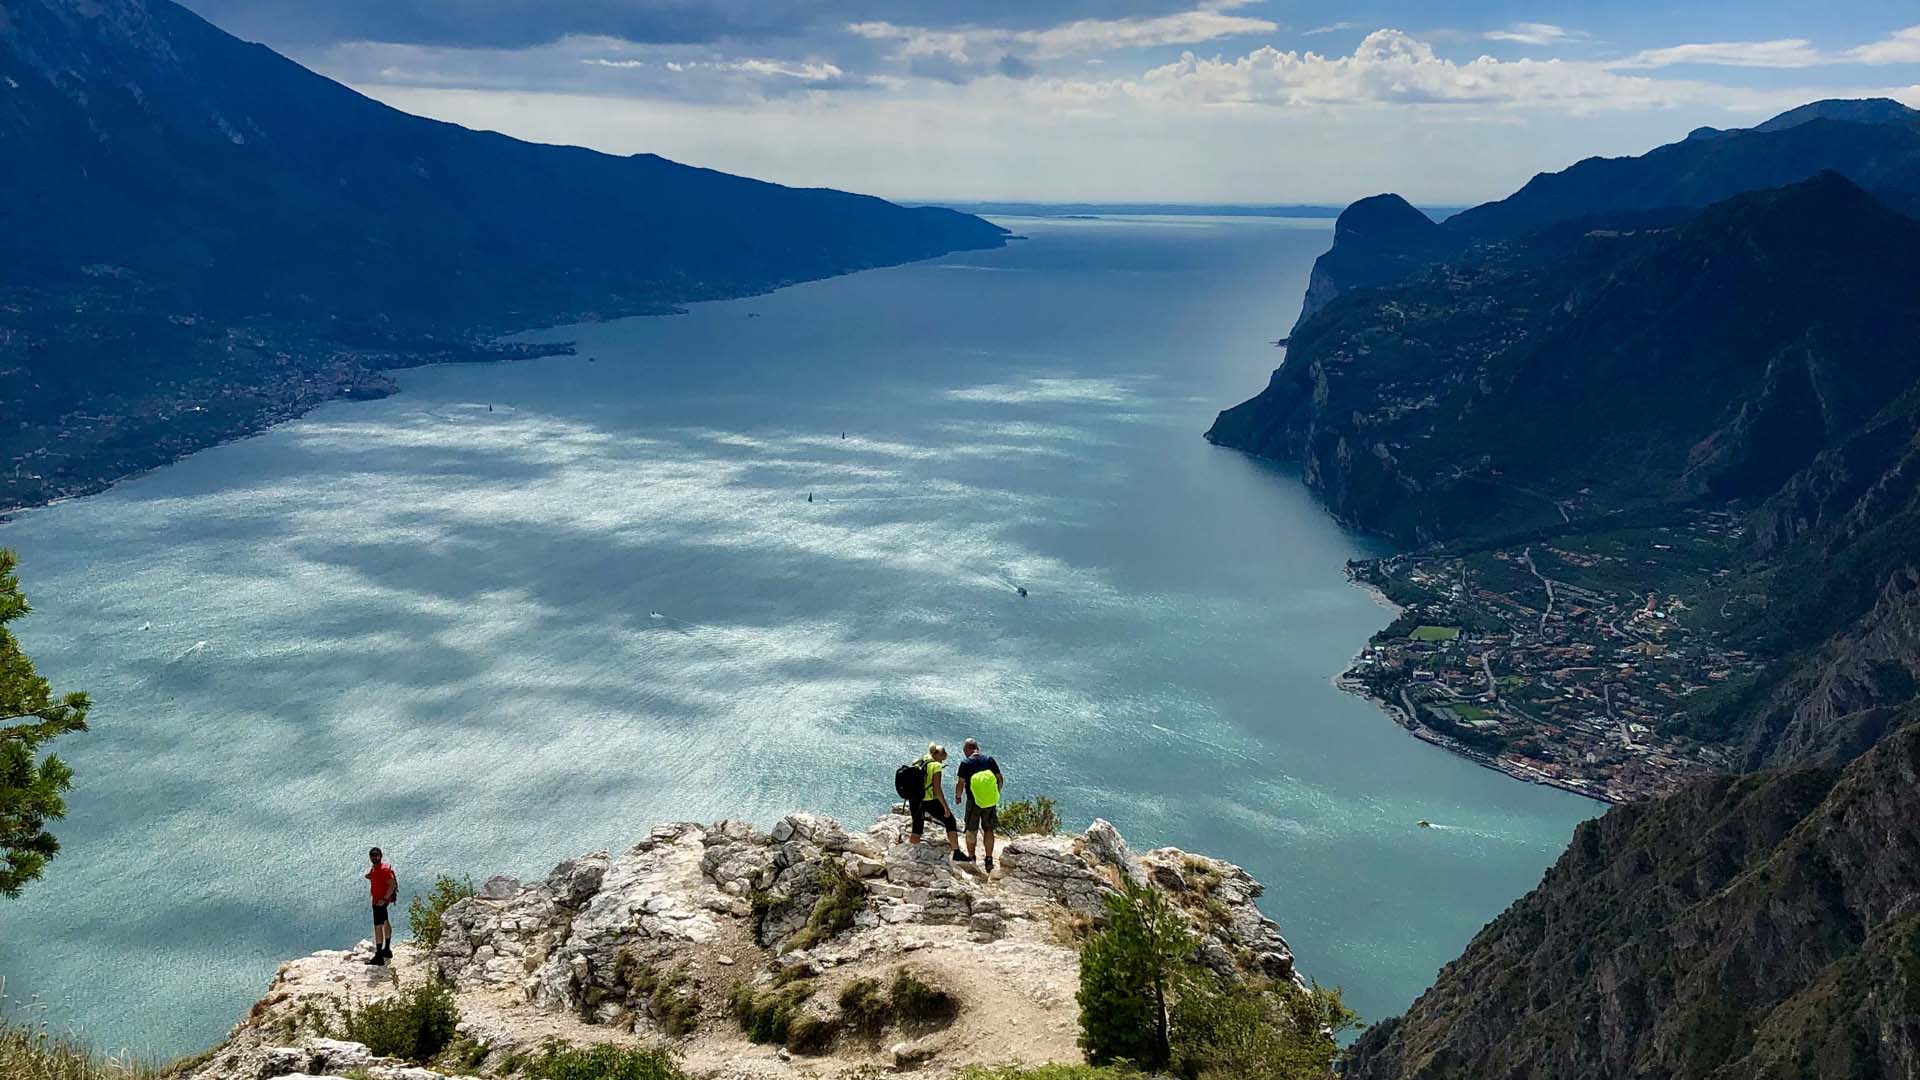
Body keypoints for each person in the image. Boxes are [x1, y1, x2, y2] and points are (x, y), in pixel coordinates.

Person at [910, 743, 970, 862]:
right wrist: (946, 808)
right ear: (937, 755)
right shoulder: (936, 766)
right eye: (943, 756)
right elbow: (937, 789)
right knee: (950, 821)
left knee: (917, 826)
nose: (944, 759)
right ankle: (957, 853)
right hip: (929, 800)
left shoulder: (918, 761)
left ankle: (913, 853)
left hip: (915, 799)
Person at [956, 738, 1005, 874]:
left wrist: (958, 796)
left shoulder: (966, 763)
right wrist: (996, 793)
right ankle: (989, 859)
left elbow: (960, 783)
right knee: (988, 829)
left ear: (967, 749)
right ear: (977, 748)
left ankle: (972, 858)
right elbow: (1000, 778)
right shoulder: (989, 760)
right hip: (990, 801)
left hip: (973, 801)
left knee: (971, 830)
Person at [365, 847, 398, 965]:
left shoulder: (383, 870)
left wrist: (384, 899)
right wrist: (369, 877)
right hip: (381, 902)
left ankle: (378, 956)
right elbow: (374, 876)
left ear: (380, 856)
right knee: (385, 922)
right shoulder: (376, 868)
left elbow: (392, 884)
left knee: (377, 927)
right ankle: (387, 949)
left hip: (379, 902)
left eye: (376, 855)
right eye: (372, 855)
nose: (374, 857)